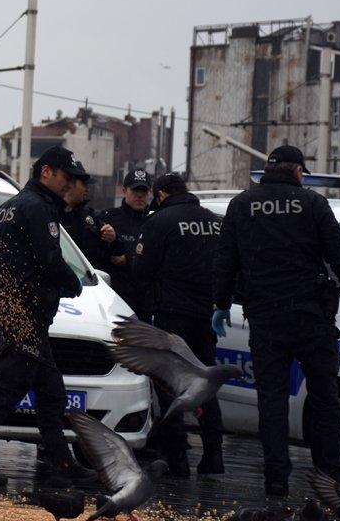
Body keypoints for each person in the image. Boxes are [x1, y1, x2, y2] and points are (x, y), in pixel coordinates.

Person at [213, 145, 340, 496]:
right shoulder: (312, 204)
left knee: (272, 399)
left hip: (265, 318)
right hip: (310, 316)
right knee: (324, 397)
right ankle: (331, 478)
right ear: (297, 172)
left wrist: (220, 304)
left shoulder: (242, 205)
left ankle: (276, 478)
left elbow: (224, 262)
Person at [0, 145, 98, 488]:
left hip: (14, 306)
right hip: (26, 310)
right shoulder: (38, 208)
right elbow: (49, 259)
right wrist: (73, 284)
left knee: (51, 390)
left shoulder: (8, 208)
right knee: (11, 384)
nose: (69, 184)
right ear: (47, 172)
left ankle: (60, 463)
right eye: (65, 176)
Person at [133, 173, 224, 477]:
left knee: (171, 385)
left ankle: (178, 459)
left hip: (172, 316)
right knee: (206, 383)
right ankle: (213, 456)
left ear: (159, 195)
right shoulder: (213, 221)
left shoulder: (160, 222)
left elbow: (141, 270)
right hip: (206, 316)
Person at [94, 168, 153, 320]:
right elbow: (93, 254)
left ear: (150, 193)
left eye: (144, 191)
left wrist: (129, 259)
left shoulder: (154, 223)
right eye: (135, 191)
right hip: (113, 297)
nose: (139, 195)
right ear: (124, 190)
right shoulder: (108, 218)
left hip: (143, 300)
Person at [58, 167, 115, 262]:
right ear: (70, 185)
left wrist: (113, 238)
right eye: (84, 184)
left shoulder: (89, 217)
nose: (87, 189)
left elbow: (111, 253)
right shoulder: (50, 214)